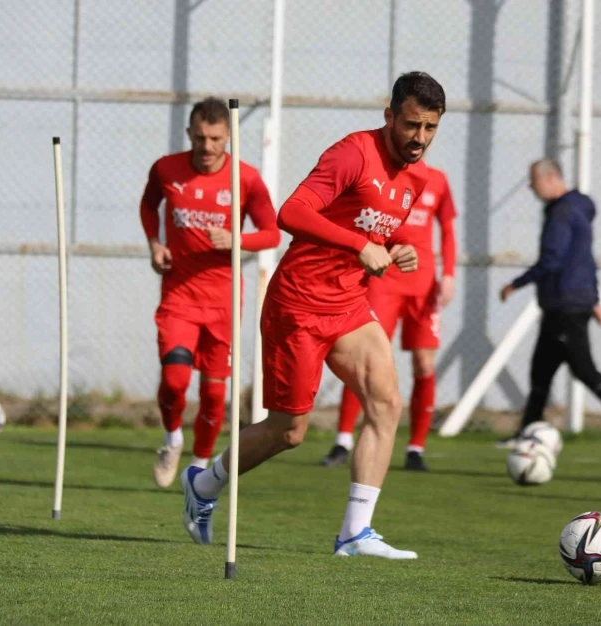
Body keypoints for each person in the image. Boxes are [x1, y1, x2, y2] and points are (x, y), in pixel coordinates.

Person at [180, 72, 446, 559]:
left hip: (348, 306)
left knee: (386, 404)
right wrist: (360, 245)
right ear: (389, 115)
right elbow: (292, 213)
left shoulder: (419, 176)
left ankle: (354, 533)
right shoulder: (353, 153)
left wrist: (398, 248)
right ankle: (204, 483)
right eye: (412, 125)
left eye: (430, 128)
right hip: (297, 305)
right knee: (289, 431)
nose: (420, 138)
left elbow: (376, 229)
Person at [140, 97, 280, 488]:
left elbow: (272, 233)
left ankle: (198, 468)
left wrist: (237, 239)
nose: (207, 146)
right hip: (179, 296)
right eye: (200, 137)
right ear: (189, 133)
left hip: (223, 303)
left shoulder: (245, 178)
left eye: (216, 138)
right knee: (175, 381)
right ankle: (172, 440)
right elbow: (149, 205)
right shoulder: (167, 169)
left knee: (215, 396)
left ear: (228, 137)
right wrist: (154, 244)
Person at [497, 158, 601, 453]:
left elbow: (552, 260)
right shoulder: (576, 208)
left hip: (566, 306)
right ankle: (527, 430)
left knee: (583, 368)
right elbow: (584, 260)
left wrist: (516, 283)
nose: (531, 187)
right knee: (541, 371)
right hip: (566, 303)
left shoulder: (562, 212)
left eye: (534, 181)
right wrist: (594, 302)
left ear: (550, 178)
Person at [322, 165, 457, 472]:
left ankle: (415, 448)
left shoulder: (438, 180)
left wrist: (448, 273)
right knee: (363, 357)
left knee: (425, 364)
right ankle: (343, 440)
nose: (417, 142)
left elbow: (448, 229)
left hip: (423, 285)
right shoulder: (385, 176)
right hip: (383, 281)